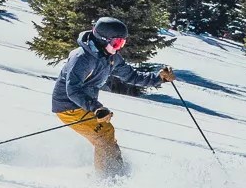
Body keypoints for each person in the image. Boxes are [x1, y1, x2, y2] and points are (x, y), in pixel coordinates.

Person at [51, 16, 175, 177]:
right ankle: (107, 178)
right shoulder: (82, 58)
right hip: (69, 106)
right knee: (104, 135)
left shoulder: (110, 57)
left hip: (85, 104)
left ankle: (114, 171)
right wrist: (96, 108)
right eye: (116, 43)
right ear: (102, 40)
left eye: (122, 43)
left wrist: (158, 78)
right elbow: (73, 90)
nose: (118, 48)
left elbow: (131, 76)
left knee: (106, 134)